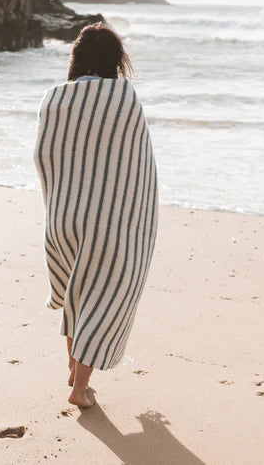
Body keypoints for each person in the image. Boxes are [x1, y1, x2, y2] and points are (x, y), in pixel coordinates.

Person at [33, 22, 159, 408]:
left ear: (78, 58)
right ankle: (79, 388)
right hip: (109, 221)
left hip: (63, 217)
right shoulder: (125, 97)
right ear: (115, 61)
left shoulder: (54, 97)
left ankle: (74, 369)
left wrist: (59, 203)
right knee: (105, 295)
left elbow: (44, 155)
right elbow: (137, 165)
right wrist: (137, 217)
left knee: (78, 291)